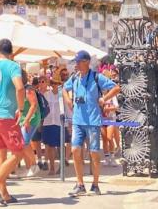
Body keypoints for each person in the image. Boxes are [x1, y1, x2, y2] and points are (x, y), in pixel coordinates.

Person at [64, 50, 120, 197]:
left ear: (86, 62)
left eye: (78, 61)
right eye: (75, 62)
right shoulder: (74, 78)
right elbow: (63, 89)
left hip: (93, 121)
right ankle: (80, 184)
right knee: (76, 150)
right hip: (77, 121)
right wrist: (69, 100)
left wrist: (104, 98)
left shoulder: (96, 77)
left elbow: (116, 87)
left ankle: (95, 185)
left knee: (94, 153)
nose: (76, 64)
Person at [0, 39, 26, 207]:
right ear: (12, 52)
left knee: (1, 153)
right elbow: (20, 87)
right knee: (18, 153)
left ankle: (4, 193)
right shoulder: (13, 66)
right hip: (6, 115)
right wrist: (21, 109)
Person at [18, 71, 42, 178]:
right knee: (23, 144)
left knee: (24, 143)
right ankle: (29, 168)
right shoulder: (21, 89)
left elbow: (33, 105)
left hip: (31, 119)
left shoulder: (28, 89)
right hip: (24, 119)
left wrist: (27, 120)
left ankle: (34, 165)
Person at [42, 72, 64, 176]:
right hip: (48, 122)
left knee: (60, 146)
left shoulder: (63, 95)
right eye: (53, 83)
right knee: (50, 147)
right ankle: (52, 167)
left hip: (60, 123)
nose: (55, 85)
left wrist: (69, 124)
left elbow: (67, 110)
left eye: (57, 83)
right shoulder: (46, 95)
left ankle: (61, 166)